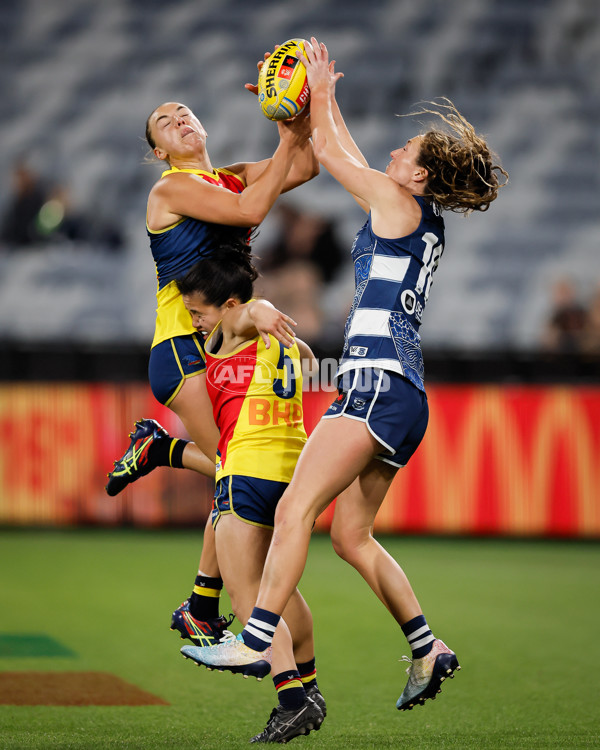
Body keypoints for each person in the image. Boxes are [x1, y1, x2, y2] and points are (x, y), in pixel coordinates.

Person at [186, 37, 508, 714]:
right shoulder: (413, 216)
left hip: (374, 382)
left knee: (294, 508)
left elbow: (336, 157)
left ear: (418, 177)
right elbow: (343, 155)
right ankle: (427, 647)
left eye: (405, 154)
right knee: (349, 535)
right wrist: (295, 116)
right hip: (405, 392)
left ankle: (256, 636)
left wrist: (321, 90)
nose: (392, 157)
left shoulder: (397, 205)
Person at [105, 90, 319, 647]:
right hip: (181, 350)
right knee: (232, 467)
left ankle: (164, 456)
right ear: (159, 152)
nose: (179, 120)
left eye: (184, 113)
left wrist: (296, 114)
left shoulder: (232, 176)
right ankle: (202, 603)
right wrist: (284, 138)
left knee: (234, 466)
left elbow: (307, 166)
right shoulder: (171, 187)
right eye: (164, 122)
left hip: (221, 347)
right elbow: (252, 211)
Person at [175, 244, 325, 742]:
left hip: (247, 472)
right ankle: (309, 684)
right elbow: (304, 359)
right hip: (293, 471)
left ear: (227, 305)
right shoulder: (289, 347)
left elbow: (254, 310)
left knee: (249, 598)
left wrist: (260, 311)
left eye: (198, 310)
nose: (195, 320)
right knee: (281, 591)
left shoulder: (237, 324)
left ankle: (291, 700)